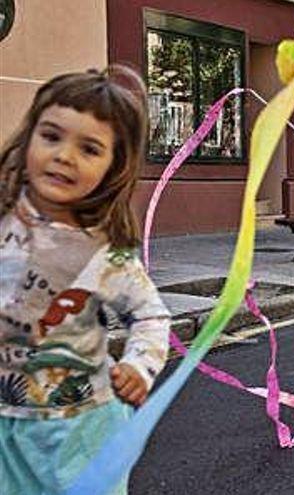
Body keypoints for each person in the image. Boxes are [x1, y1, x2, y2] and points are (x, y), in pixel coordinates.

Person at [0, 66, 171, 494]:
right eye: (51, 136)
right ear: (29, 138)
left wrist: (137, 365)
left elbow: (150, 316)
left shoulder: (103, 254)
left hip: (78, 432)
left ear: (113, 167)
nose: (64, 155)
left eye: (89, 148)